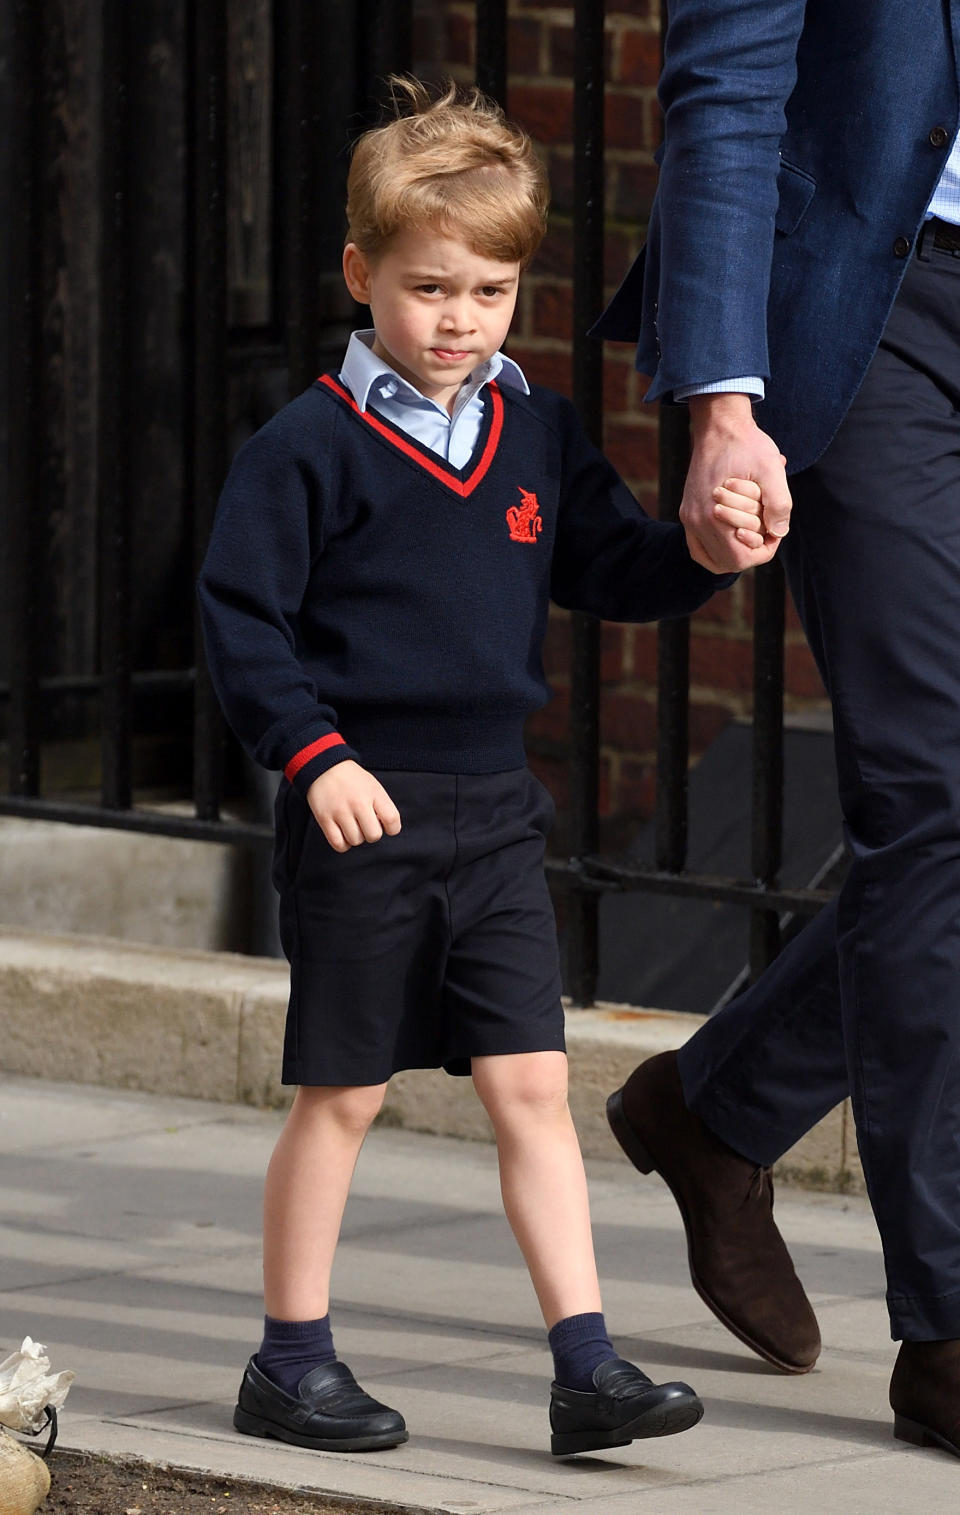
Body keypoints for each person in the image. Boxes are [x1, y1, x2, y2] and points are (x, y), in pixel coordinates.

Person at [197, 78, 765, 1460]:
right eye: (429, 287)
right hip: (360, 812)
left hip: (497, 820)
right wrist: (311, 755)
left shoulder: (538, 431)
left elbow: (608, 567)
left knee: (530, 1087)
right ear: (361, 273)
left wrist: (699, 554)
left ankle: (587, 1368)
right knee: (343, 1094)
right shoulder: (307, 449)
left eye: (493, 292)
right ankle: (289, 1360)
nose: (459, 320)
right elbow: (237, 618)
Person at [594, 0, 960, 1460]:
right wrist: (723, 403)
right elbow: (730, 88)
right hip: (873, 311)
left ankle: (718, 1107)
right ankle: (945, 1325)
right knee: (935, 791)